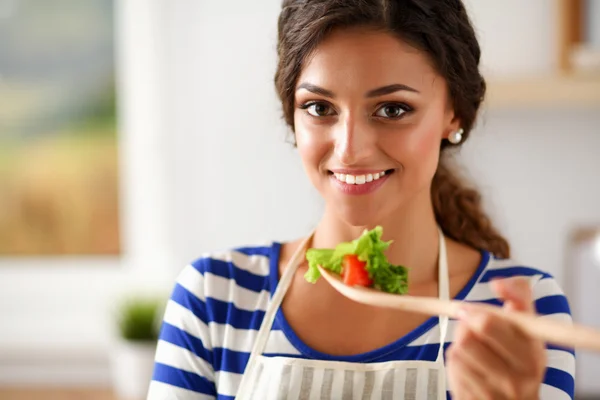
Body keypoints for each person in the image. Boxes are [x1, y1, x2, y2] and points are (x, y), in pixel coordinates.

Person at [147, 0, 575, 399]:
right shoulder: (214, 297)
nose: (349, 149)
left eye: (392, 109)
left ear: (454, 113)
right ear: (291, 116)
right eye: (319, 107)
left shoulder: (518, 316)